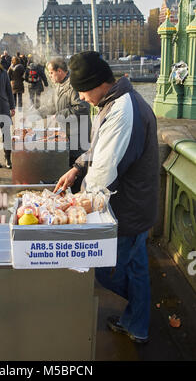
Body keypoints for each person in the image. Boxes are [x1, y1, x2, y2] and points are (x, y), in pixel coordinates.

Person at [54, 51, 159, 344]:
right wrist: (77, 167)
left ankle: (139, 313)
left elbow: (103, 172)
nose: (83, 98)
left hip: (127, 208)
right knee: (136, 267)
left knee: (106, 271)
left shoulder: (122, 111)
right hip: (137, 204)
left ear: (100, 83)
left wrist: (73, 205)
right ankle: (138, 324)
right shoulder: (115, 101)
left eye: (84, 91)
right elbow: (100, 148)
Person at [41, 57, 91, 191]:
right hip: (67, 135)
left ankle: (78, 198)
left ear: (60, 71)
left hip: (79, 137)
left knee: (78, 172)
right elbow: (52, 106)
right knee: (69, 170)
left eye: (51, 72)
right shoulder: (58, 85)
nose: (50, 76)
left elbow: (82, 108)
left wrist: (59, 115)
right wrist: (35, 113)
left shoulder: (73, 85)